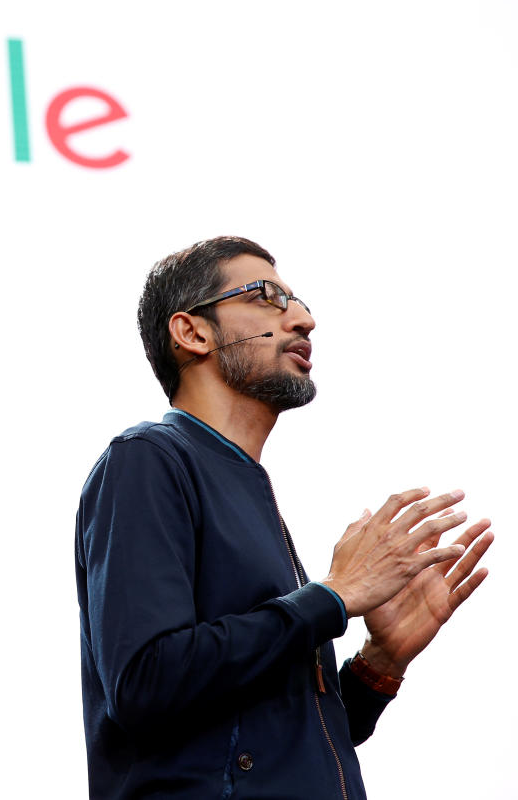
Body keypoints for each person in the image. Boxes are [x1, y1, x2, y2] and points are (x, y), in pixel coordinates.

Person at [74, 236, 493, 799]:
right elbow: (147, 683)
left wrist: (378, 664)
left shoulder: (248, 486)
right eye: (269, 296)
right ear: (192, 332)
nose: (305, 320)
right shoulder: (149, 459)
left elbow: (282, 742)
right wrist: (333, 596)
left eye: (300, 302)